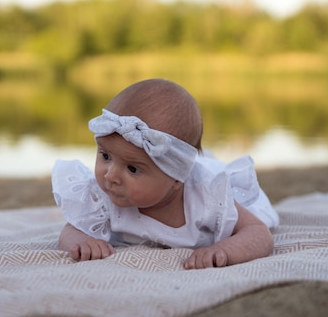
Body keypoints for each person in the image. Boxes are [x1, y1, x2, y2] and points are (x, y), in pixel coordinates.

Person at [52, 78, 279, 269]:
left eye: (133, 168)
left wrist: (225, 251)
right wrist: (82, 242)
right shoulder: (105, 194)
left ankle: (209, 161)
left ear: (176, 179)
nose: (110, 175)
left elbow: (258, 232)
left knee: (219, 175)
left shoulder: (208, 197)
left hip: (208, 175)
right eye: (105, 156)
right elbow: (72, 228)